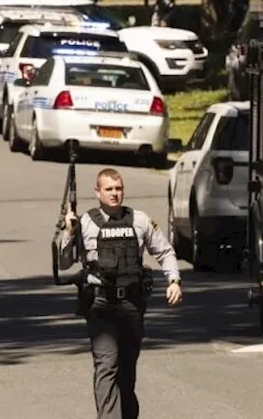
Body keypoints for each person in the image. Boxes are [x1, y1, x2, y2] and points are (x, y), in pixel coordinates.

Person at [58, 168, 182, 419]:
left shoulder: (139, 220)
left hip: (131, 305)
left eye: (118, 188)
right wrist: (69, 232)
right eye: (109, 189)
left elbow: (165, 252)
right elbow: (63, 263)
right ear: (97, 192)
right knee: (107, 364)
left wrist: (174, 280)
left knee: (126, 371)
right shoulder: (84, 224)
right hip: (100, 304)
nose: (115, 194)